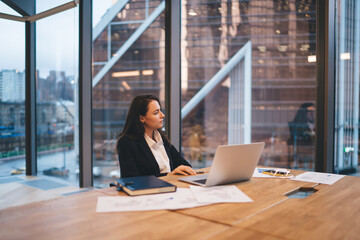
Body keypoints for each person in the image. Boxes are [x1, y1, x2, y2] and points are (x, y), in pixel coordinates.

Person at [116, 95, 197, 178]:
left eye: (160, 111)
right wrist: (168, 176)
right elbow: (131, 179)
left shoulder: (161, 137)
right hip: (149, 190)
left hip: (171, 188)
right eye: (156, 113)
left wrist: (182, 171)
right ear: (142, 118)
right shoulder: (126, 143)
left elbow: (184, 165)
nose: (162, 115)